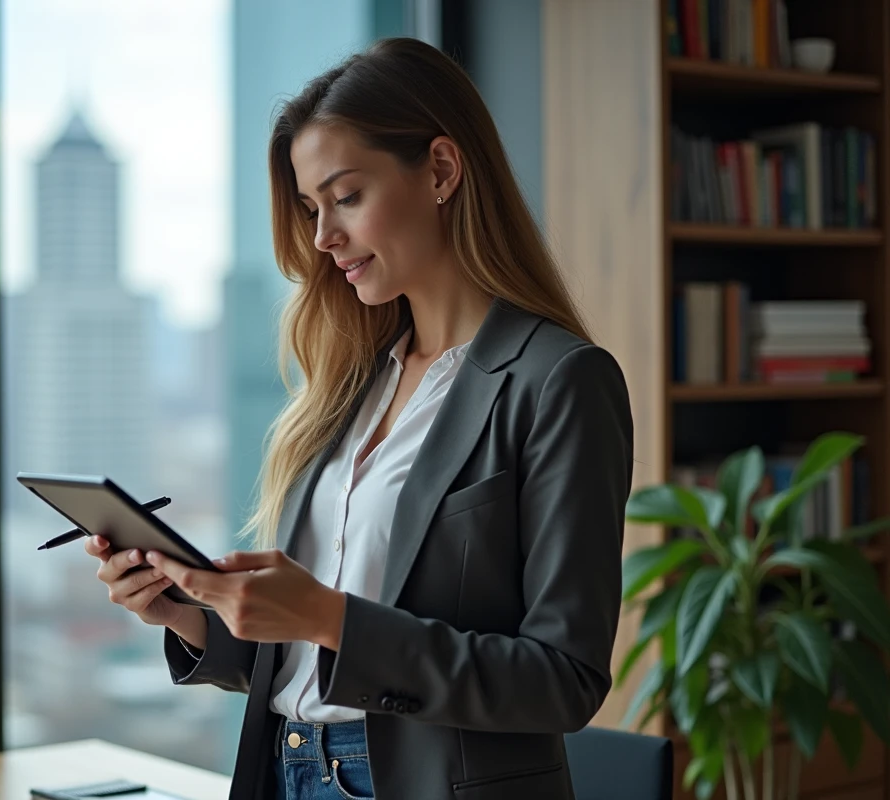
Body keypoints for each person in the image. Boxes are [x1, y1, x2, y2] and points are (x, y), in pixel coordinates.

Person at [86, 37, 633, 800]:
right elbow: (308, 661)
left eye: (345, 197)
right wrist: (189, 612)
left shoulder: (559, 382)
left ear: (441, 170)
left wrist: (331, 616)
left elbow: (563, 681)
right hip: (289, 769)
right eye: (312, 208)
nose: (322, 238)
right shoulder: (351, 384)